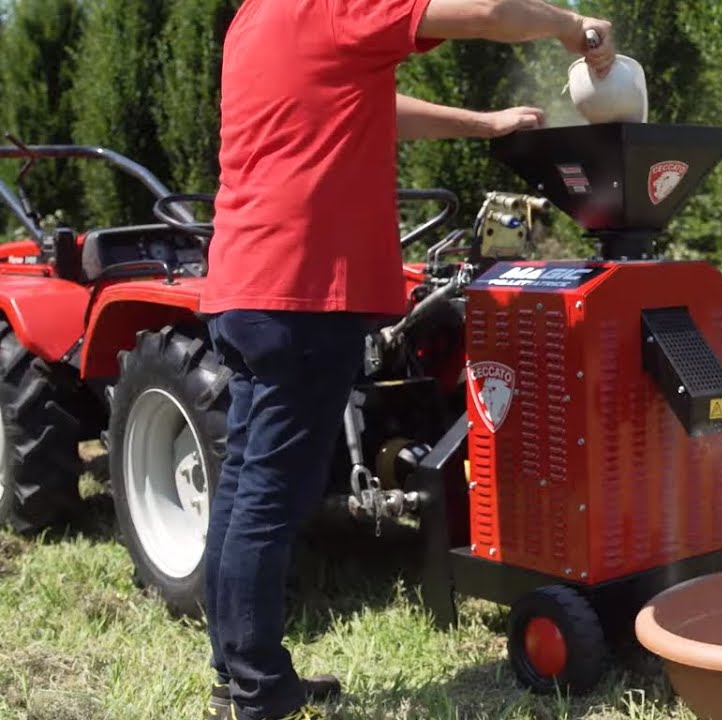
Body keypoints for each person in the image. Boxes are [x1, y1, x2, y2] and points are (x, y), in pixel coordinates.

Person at [197, 1, 616, 718]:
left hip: (243, 286)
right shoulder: (335, 6)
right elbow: (485, 10)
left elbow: (369, 106)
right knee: (269, 499)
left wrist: (483, 125)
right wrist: (570, 26)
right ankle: (259, 693)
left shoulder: (255, 19)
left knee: (242, 487)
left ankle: (241, 672)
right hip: (303, 292)